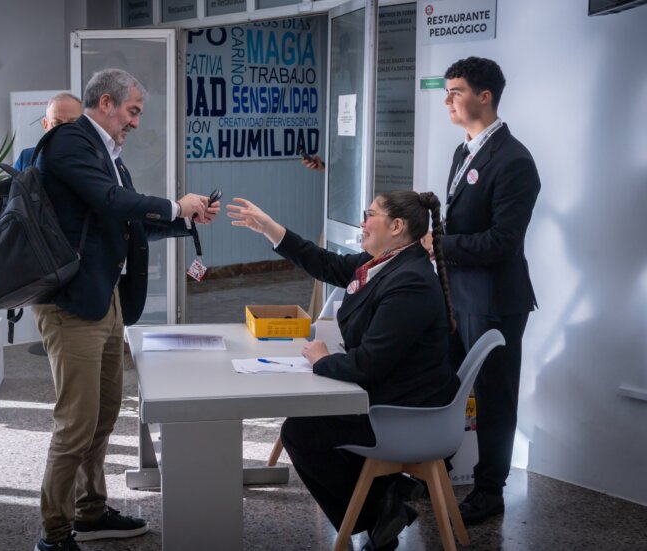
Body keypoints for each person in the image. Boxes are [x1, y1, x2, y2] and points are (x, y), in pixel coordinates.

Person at [32, 68, 219, 551]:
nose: (135, 122)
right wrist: (175, 205)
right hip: (72, 305)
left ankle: (90, 512)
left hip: (104, 298)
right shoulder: (70, 143)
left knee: (103, 416)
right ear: (106, 103)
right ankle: (54, 534)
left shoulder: (107, 155)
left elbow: (126, 220)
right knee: (76, 424)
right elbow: (113, 201)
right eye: (132, 111)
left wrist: (186, 219)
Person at [227, 191, 460, 551]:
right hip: (390, 393)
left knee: (301, 432)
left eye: (370, 215)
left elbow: (369, 364)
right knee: (307, 425)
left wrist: (322, 360)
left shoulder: (410, 281)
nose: (363, 223)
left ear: (396, 226)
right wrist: (270, 228)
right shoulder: (384, 263)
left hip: (406, 410)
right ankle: (384, 506)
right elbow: (326, 263)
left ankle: (377, 513)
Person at [438, 57, 540, 525]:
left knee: (495, 399)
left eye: (456, 91)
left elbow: (503, 242)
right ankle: (432, 470)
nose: (447, 101)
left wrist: (440, 245)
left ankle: (488, 492)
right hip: (457, 296)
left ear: (485, 96)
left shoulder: (515, 161)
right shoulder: (464, 151)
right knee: (442, 385)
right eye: (446, 91)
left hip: (495, 302)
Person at [13, 92, 83, 170]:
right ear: (45, 124)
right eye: (57, 123)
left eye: (73, 123)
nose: (64, 129)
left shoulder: (93, 160)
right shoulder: (26, 159)